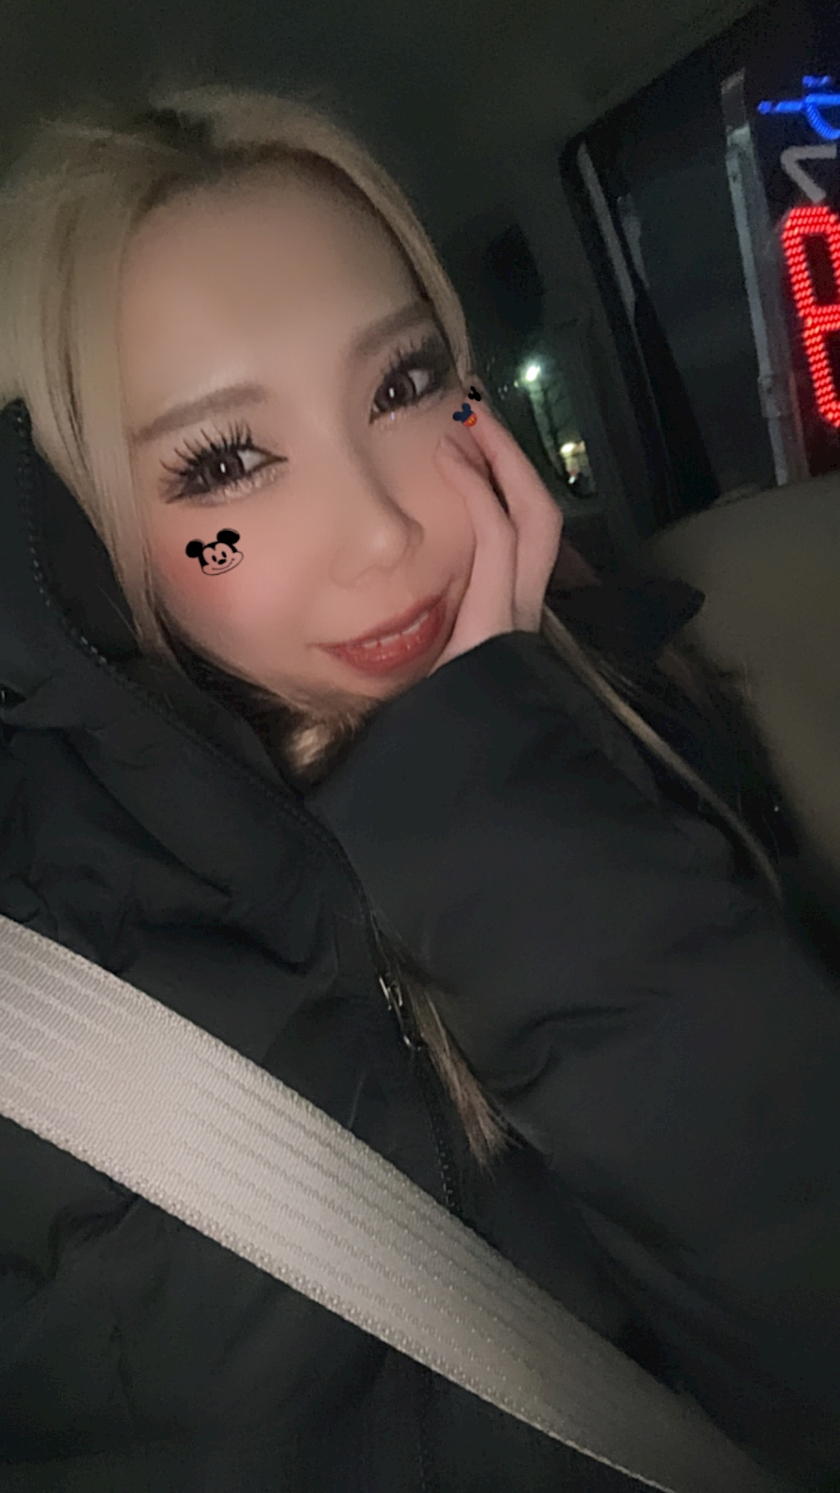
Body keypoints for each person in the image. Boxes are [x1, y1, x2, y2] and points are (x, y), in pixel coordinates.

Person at [0, 84, 837, 1492]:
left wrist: (501, 784)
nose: (386, 534)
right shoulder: (50, 983)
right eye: (224, 466)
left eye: (399, 388)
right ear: (82, 534)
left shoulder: (629, 705)